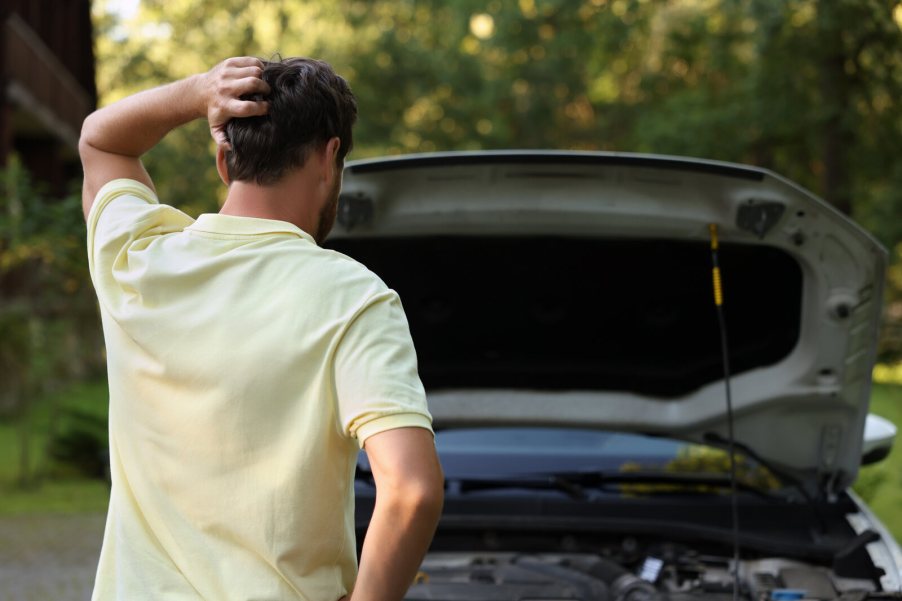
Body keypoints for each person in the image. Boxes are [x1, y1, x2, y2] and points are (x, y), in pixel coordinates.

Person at [79, 56, 444, 601]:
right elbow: (411, 490)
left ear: (224, 161)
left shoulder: (137, 261)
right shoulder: (352, 296)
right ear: (331, 156)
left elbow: (101, 140)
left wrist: (199, 92)